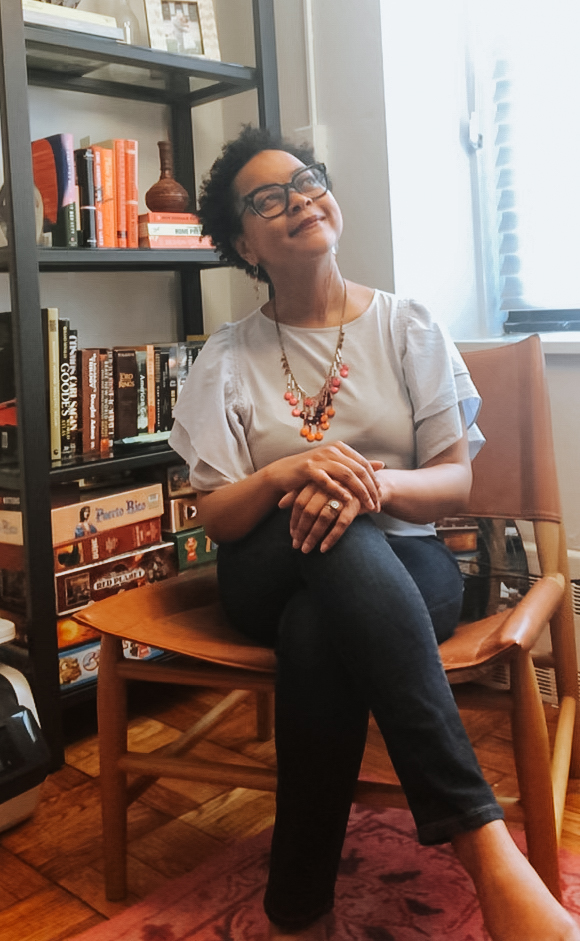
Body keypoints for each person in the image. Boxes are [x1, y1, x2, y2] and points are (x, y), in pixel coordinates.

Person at [169, 125, 580, 941]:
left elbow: (454, 479)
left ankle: (298, 912)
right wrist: (293, 473)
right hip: (265, 565)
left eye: (307, 179)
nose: (299, 200)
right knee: (326, 534)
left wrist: (372, 486)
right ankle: (487, 847)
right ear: (243, 240)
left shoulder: (408, 326)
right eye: (267, 197)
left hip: (410, 561)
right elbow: (216, 511)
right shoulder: (227, 356)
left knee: (322, 624)